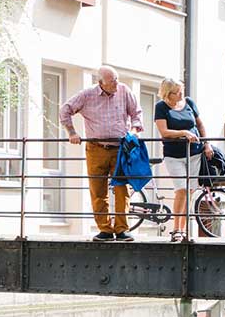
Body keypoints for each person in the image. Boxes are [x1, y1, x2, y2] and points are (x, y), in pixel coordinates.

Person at [60, 66, 144, 242]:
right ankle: (105, 229)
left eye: (117, 79)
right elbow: (65, 110)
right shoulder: (87, 95)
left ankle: (122, 229)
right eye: (112, 81)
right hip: (96, 148)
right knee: (98, 189)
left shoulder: (124, 91)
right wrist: (72, 132)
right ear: (101, 83)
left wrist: (134, 130)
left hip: (120, 148)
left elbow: (136, 113)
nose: (116, 84)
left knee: (122, 189)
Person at [153, 78, 213, 243]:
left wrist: (207, 143)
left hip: (194, 153)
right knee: (181, 189)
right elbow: (164, 132)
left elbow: (200, 125)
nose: (181, 94)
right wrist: (184, 133)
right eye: (177, 92)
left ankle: (184, 229)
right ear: (168, 94)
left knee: (191, 191)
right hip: (174, 155)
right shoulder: (161, 107)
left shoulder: (189, 103)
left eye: (182, 91)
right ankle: (176, 229)